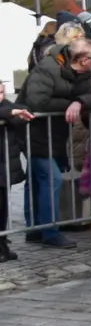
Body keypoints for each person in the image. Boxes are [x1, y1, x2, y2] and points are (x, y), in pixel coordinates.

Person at [20, 38, 91, 249]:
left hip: (55, 134)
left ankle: (35, 229)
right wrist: (69, 104)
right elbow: (37, 101)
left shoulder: (83, 72)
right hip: (33, 131)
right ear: (83, 60)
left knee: (37, 180)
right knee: (50, 178)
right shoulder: (46, 68)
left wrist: (79, 102)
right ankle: (49, 232)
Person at [0, 83, 36, 262]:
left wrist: (11, 113)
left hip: (4, 166)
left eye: (1, 92)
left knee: (2, 208)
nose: (0, 96)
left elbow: (22, 111)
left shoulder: (6, 105)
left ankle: (2, 244)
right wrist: (11, 114)